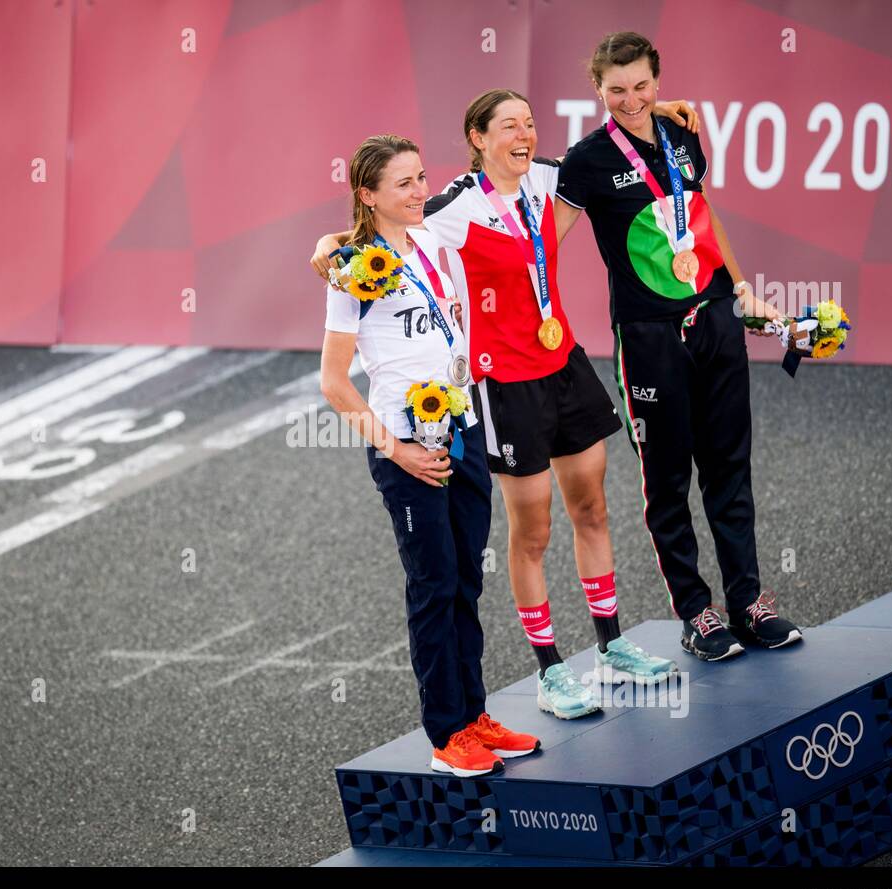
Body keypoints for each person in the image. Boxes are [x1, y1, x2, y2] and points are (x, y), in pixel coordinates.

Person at [312, 93, 696, 719]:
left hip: (563, 362)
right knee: (534, 530)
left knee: (593, 507)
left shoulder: (552, 177)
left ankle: (611, 645)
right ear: (477, 137)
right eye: (508, 126)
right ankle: (549, 671)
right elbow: (377, 226)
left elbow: (615, 144)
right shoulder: (452, 205)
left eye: (529, 124)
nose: (523, 134)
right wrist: (328, 244)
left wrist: (659, 108)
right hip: (501, 381)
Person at [552, 31, 805, 662]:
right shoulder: (584, 161)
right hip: (647, 333)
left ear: (657, 80)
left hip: (714, 313)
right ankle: (697, 613)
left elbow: (700, 211)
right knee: (667, 477)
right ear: (596, 88)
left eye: (642, 86)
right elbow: (542, 240)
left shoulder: (682, 133)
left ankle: (748, 602)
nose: (631, 99)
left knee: (728, 463)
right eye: (616, 90)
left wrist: (741, 288)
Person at [320, 134, 540, 776]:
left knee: (468, 580)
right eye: (403, 184)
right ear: (367, 195)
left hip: (463, 429)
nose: (420, 192)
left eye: (421, 178)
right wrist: (399, 453)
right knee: (433, 584)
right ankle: (447, 736)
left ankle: (474, 715)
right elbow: (333, 383)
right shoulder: (352, 271)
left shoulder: (434, 241)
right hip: (406, 447)